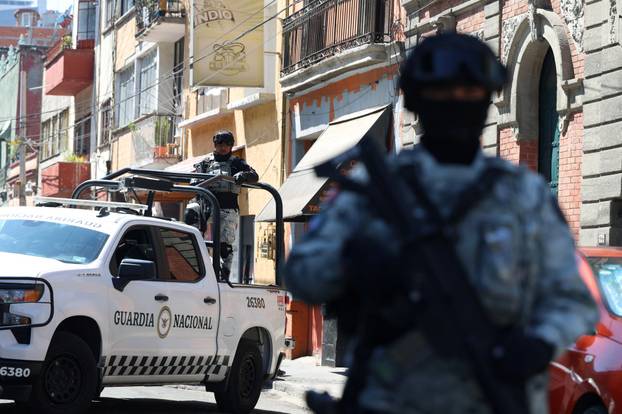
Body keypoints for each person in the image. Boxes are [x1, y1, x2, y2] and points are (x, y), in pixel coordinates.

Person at [284, 33, 598, 414]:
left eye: (469, 94)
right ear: (418, 101)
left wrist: (537, 343)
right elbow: (302, 275)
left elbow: (574, 298)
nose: (457, 106)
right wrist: (362, 263)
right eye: (443, 95)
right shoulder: (373, 191)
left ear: (486, 100)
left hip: (493, 394)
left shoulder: (521, 194)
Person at [185, 130, 258, 278]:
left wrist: (243, 176)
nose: (223, 147)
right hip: (205, 204)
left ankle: (223, 274)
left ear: (231, 146)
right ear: (215, 145)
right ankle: (196, 258)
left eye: (226, 144)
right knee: (191, 213)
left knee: (224, 246)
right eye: (220, 144)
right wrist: (197, 182)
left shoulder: (237, 163)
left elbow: (254, 176)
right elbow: (193, 180)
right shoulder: (205, 163)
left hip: (227, 207)